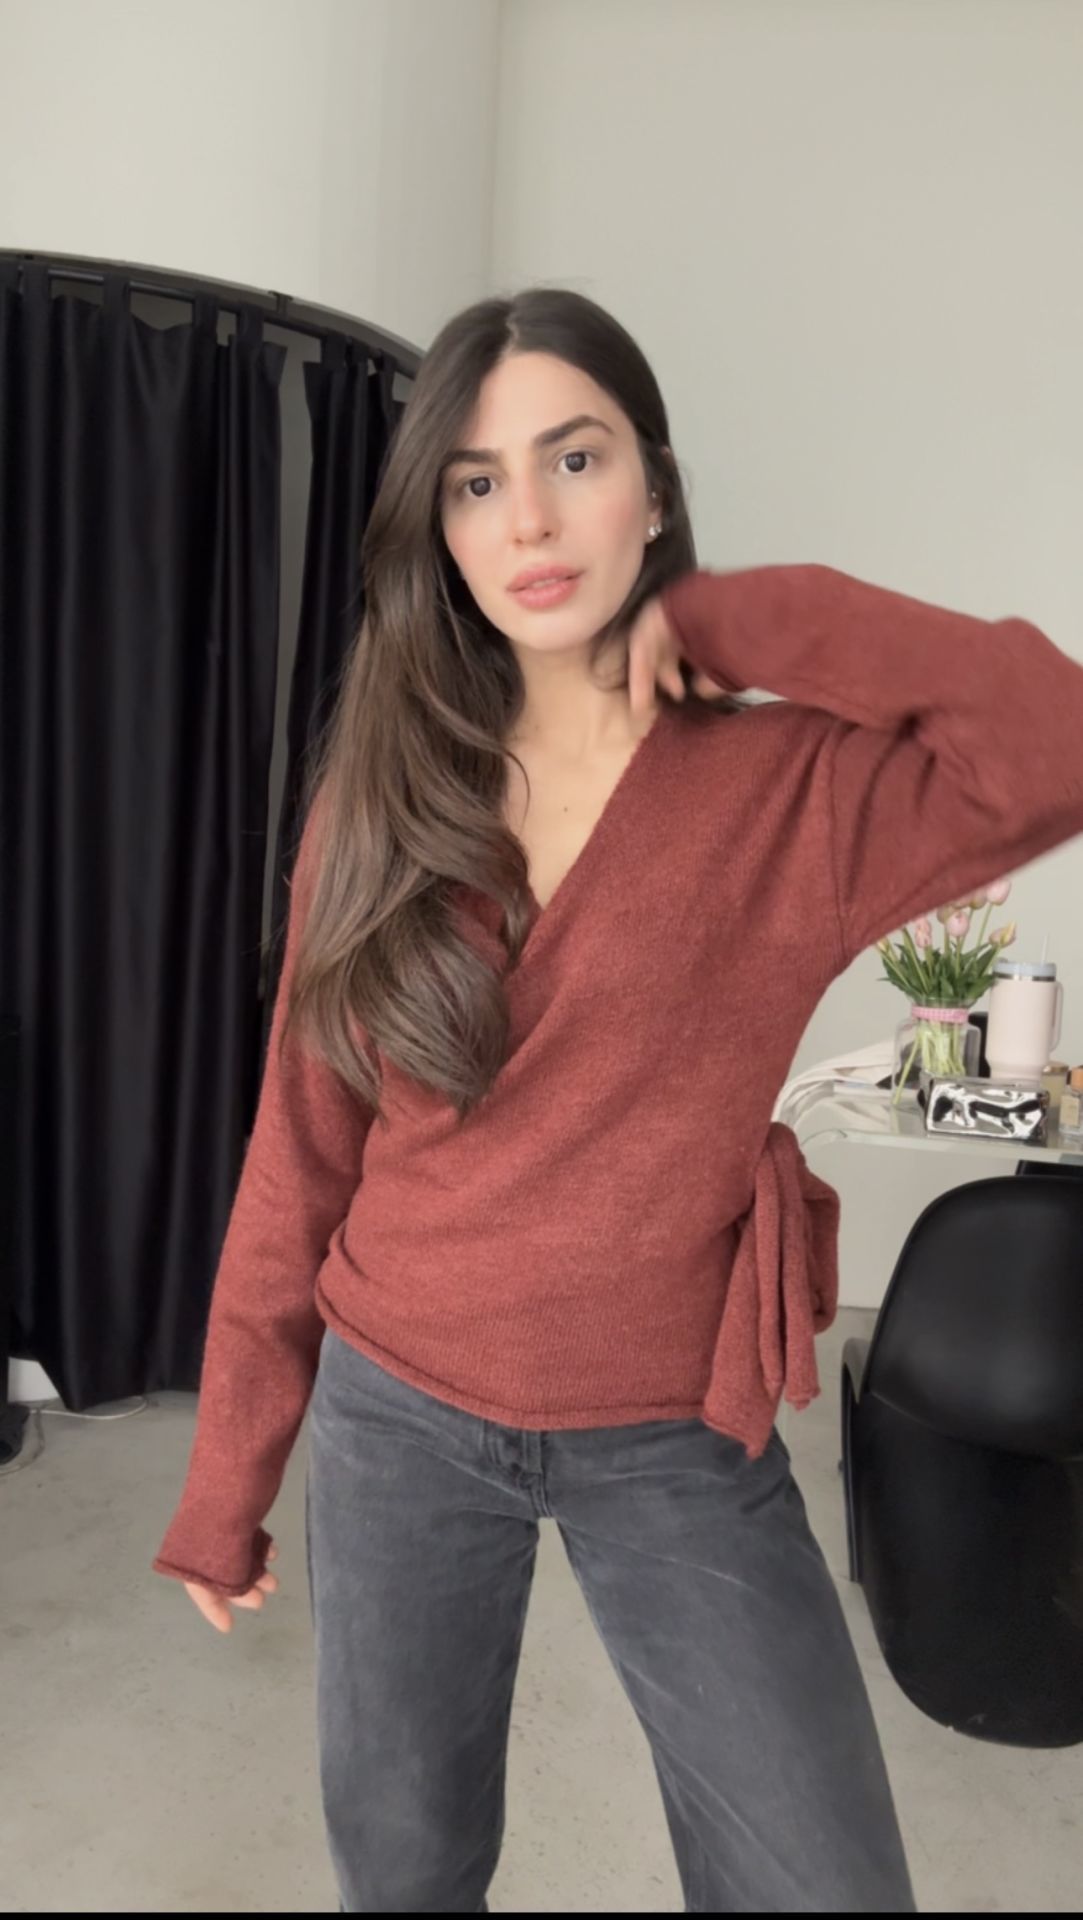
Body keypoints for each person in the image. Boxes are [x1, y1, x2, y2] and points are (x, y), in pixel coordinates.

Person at [153, 286, 1083, 1913]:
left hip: (671, 1425)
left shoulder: (790, 789)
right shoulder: (383, 796)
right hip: (398, 1412)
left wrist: (749, 621)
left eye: (573, 459)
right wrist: (229, 1474)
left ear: (651, 488)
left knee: (824, 1884)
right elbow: (300, 1153)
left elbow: (1054, 743)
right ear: (440, 528)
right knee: (407, 1868)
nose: (527, 517)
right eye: (476, 480)